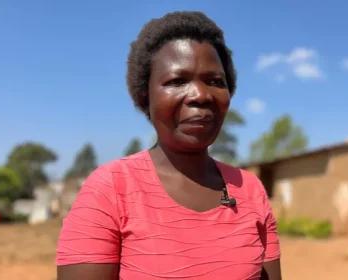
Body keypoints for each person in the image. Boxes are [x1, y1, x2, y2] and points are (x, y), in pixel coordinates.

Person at [56, 11, 282, 280]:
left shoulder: (250, 190)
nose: (201, 95)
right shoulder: (110, 190)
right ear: (145, 97)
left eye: (215, 82)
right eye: (177, 81)